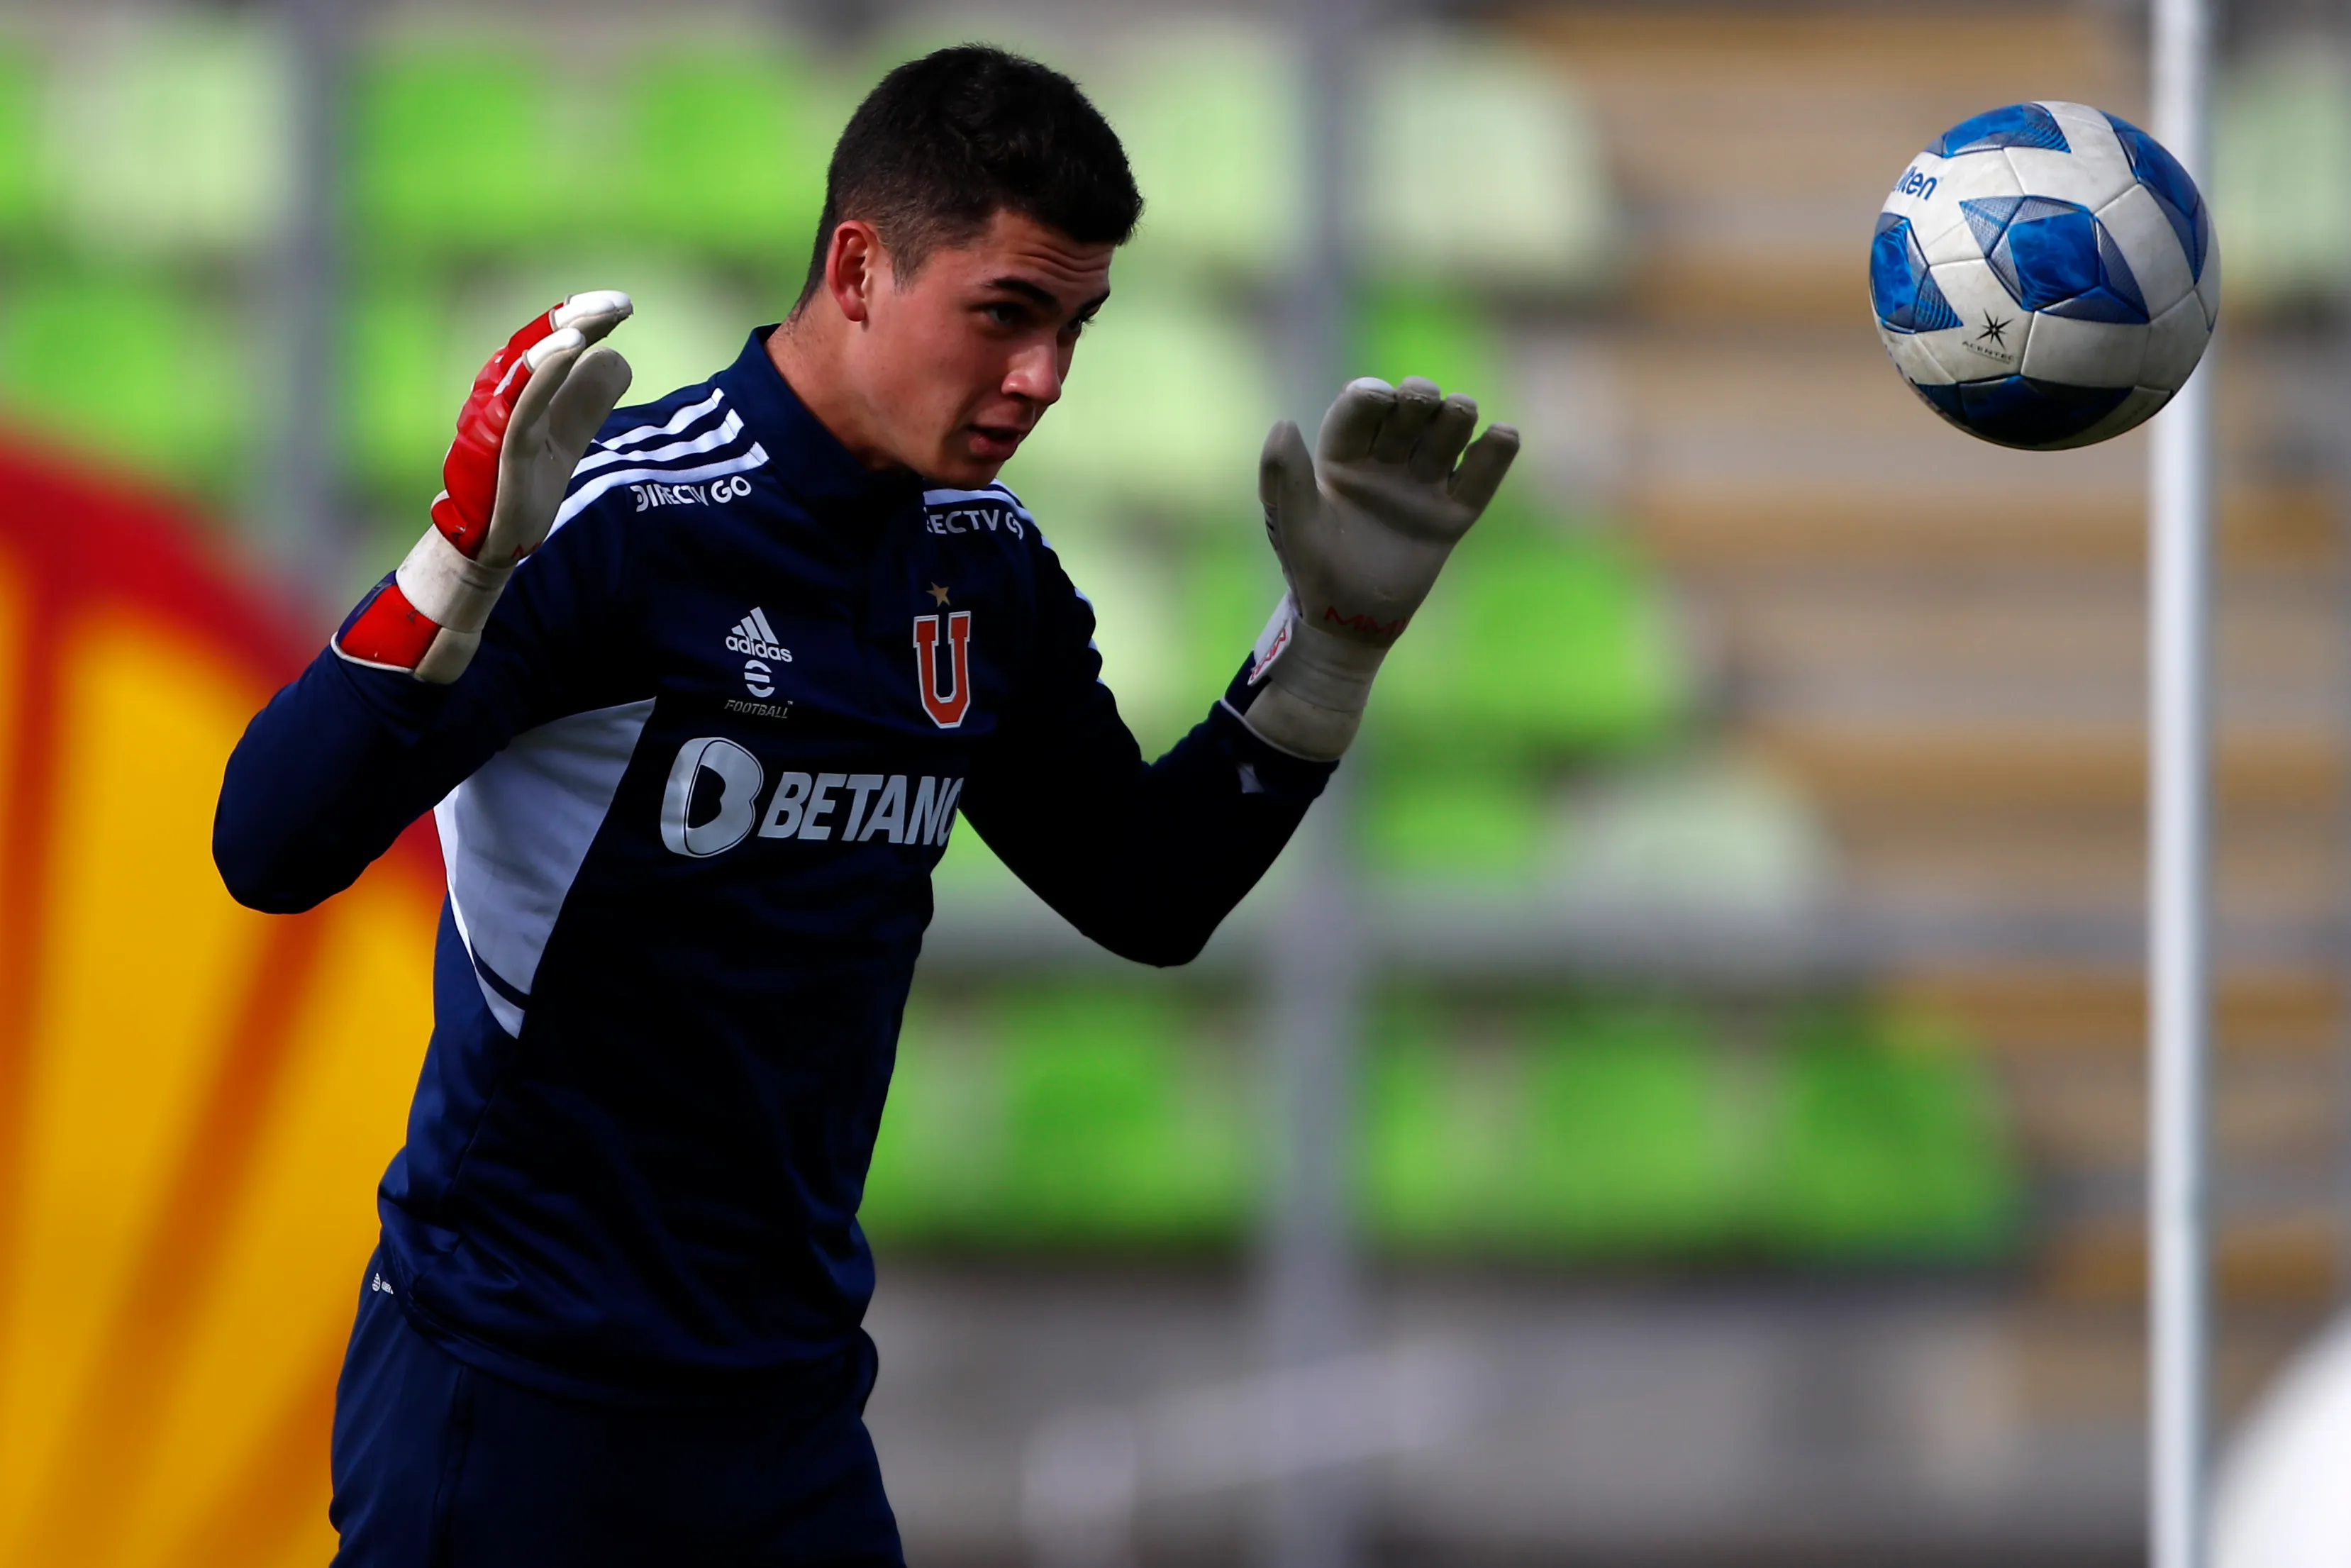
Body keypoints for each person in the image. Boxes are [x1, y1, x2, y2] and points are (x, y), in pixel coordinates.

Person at [215, 43, 1516, 1567]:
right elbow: (269, 845)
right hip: (516, 1402)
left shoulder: (982, 563)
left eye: (1076, 327)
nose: (1041, 376)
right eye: (1006, 313)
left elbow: (1147, 891)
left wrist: (1327, 660)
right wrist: (455, 567)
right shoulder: (614, 523)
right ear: (857, 266)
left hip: (786, 1419)